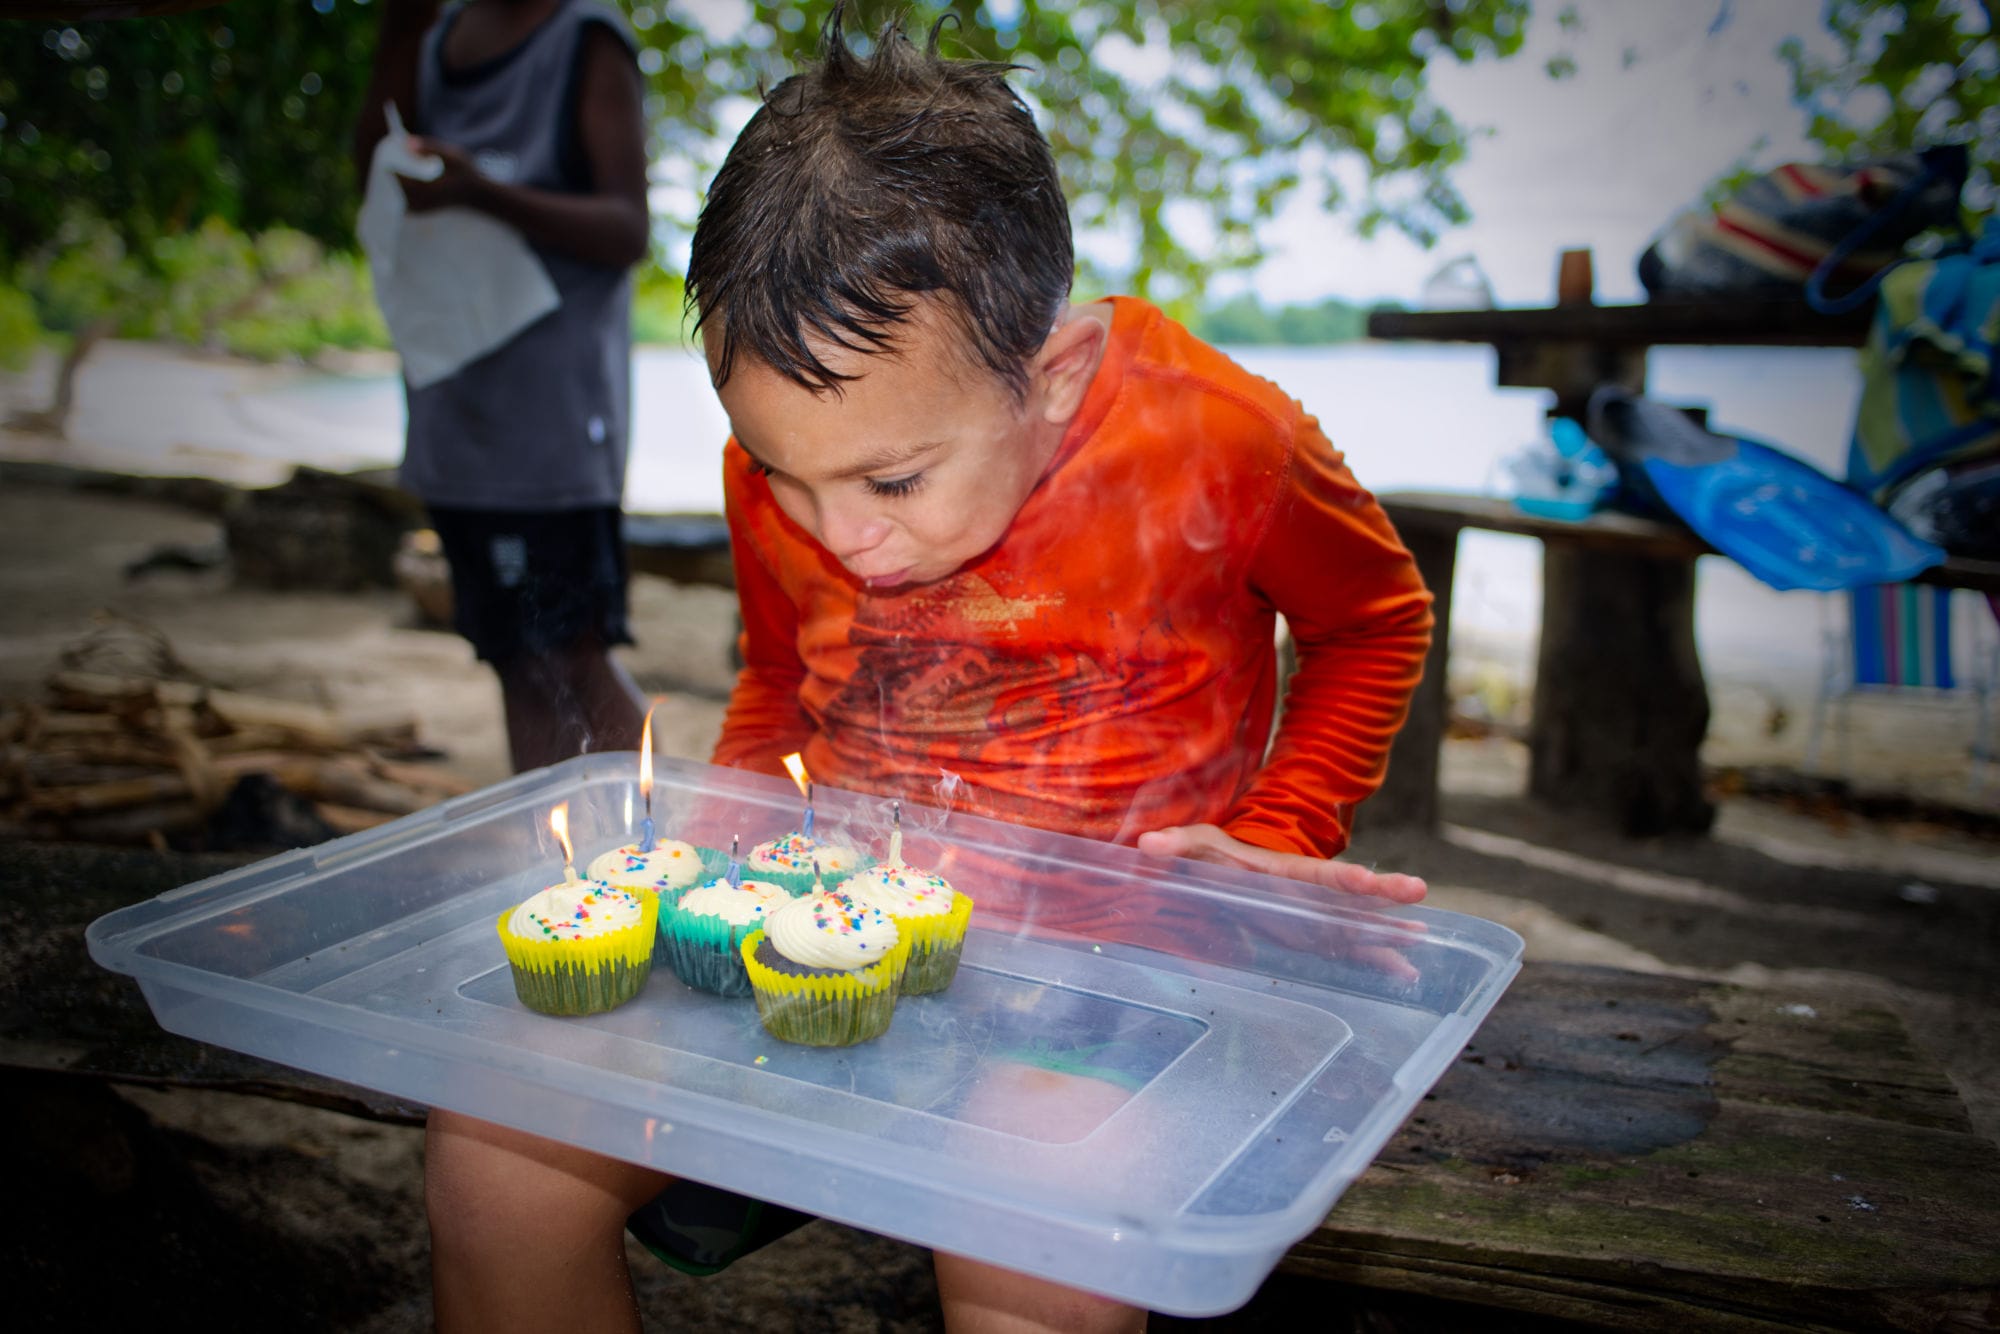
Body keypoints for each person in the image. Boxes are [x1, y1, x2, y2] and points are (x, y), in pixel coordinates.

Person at [422, 9, 1433, 1332]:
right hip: (829, 933)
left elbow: (1376, 620)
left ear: (1056, 376)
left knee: (1027, 1253)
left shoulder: (1219, 439)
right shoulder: (790, 466)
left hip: (1118, 968)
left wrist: (1275, 833)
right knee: (495, 1156)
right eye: (784, 472)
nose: (839, 531)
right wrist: (738, 825)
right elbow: (780, 676)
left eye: (894, 479)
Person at [353, 0, 651, 772]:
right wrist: (399, 35)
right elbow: (373, 181)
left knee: (568, 656)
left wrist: (482, 192)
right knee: (513, 658)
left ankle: (646, 855)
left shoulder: (583, 37)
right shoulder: (428, 34)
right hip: (457, 424)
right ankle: (551, 859)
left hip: (551, 435)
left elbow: (628, 229)